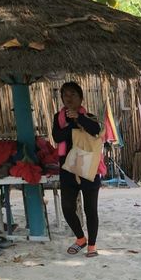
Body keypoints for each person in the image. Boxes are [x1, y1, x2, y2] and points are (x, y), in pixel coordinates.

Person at [51, 82, 103, 258]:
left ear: (81, 98)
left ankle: (92, 245)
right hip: (67, 169)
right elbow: (57, 137)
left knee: (90, 210)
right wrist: (72, 125)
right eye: (65, 95)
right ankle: (81, 239)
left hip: (89, 168)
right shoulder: (58, 118)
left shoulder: (89, 116)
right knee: (67, 207)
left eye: (73, 94)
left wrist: (79, 119)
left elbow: (96, 131)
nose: (69, 98)